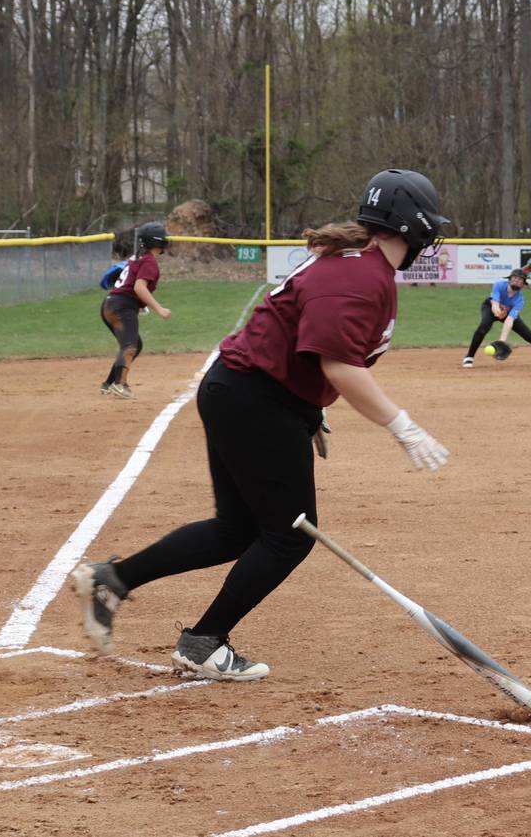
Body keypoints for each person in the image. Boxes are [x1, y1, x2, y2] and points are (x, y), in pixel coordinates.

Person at [73, 168, 450, 681]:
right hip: (255, 399)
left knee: (237, 530)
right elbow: (339, 364)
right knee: (289, 536)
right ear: (413, 224)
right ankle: (203, 642)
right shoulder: (359, 275)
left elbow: (300, 342)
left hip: (249, 393)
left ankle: (111, 579)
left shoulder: (357, 265)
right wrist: (401, 424)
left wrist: (311, 409)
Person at [99, 221, 172, 398]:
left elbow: (128, 283)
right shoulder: (149, 262)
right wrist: (159, 308)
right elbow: (139, 287)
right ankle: (119, 384)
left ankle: (109, 383)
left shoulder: (137, 258)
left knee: (133, 345)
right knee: (130, 346)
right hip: (121, 306)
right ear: (158, 242)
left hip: (111, 304)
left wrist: (138, 304)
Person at [461, 268, 531, 368]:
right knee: (483, 327)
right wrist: (497, 312)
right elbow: (494, 304)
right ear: (509, 280)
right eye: (514, 278)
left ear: (523, 285)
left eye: (520, 280)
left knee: (529, 335)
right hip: (490, 307)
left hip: (508, 314)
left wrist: (502, 341)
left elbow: (509, 320)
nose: (517, 281)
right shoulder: (499, 285)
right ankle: (469, 357)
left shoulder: (519, 300)